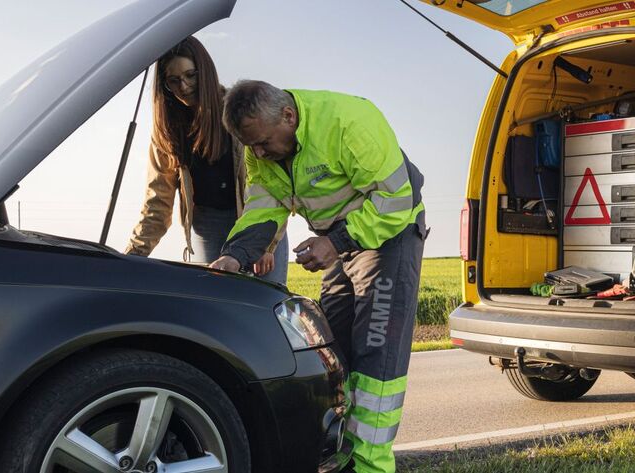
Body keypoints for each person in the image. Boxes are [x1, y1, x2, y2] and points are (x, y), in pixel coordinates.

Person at [211, 80, 425, 473]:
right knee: (330, 351)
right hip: (341, 239)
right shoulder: (260, 145)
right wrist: (233, 257)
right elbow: (265, 205)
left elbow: (396, 200)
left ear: (288, 116)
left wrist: (334, 241)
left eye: (261, 143)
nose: (257, 153)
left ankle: (370, 466)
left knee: (375, 357)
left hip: (390, 234)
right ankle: (337, 455)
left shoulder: (350, 122)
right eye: (250, 146)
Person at [125, 37, 287, 283]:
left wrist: (268, 244)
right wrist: (132, 256)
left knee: (265, 303)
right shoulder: (166, 133)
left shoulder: (238, 110)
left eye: (191, 75)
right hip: (206, 227)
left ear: (205, 71)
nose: (184, 86)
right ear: (163, 85)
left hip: (254, 218)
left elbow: (272, 183)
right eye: (174, 81)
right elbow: (157, 203)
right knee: (218, 302)